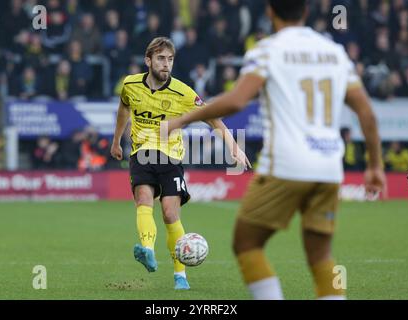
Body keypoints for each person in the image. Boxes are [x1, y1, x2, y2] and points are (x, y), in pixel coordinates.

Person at [166, 0, 386, 299]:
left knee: (247, 244)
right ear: (305, 12)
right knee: (321, 255)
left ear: (270, 12)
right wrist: (375, 165)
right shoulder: (334, 52)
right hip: (328, 168)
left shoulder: (266, 50)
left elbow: (236, 101)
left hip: (286, 165)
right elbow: (367, 114)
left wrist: (184, 119)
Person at [110, 37, 250, 290]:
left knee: (169, 213)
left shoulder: (183, 92)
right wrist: (116, 140)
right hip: (141, 152)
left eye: (170, 59)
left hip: (171, 157)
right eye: (161, 59)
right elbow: (123, 109)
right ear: (148, 60)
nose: (166, 64)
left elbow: (213, 119)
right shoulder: (130, 85)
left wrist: (234, 147)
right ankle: (147, 249)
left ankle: (180, 275)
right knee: (143, 199)